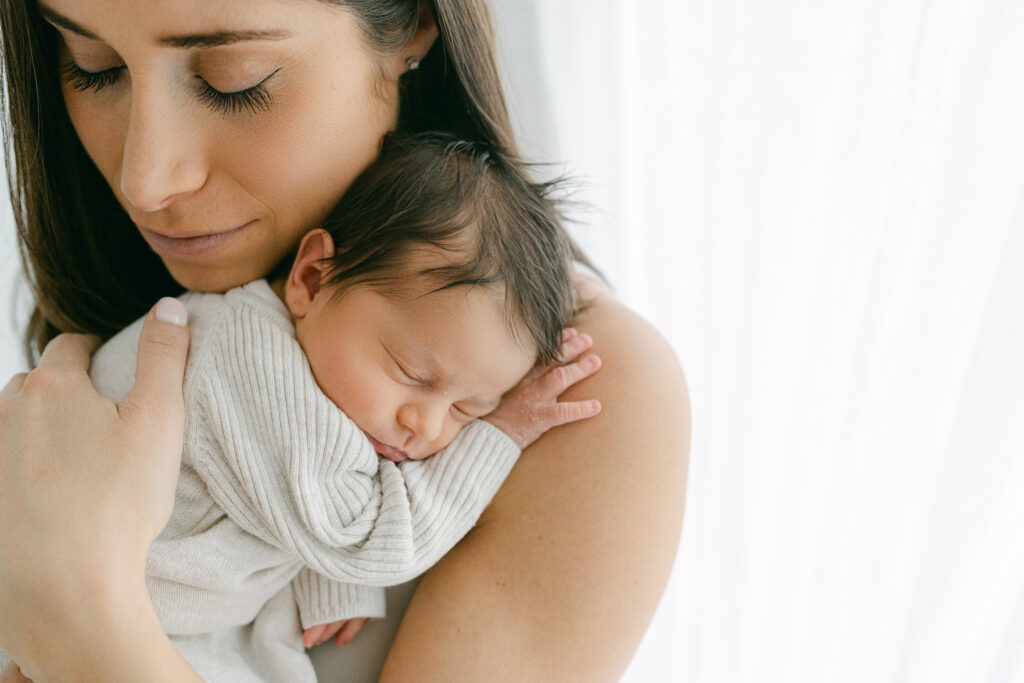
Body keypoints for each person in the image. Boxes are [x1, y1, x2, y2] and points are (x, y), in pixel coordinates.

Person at [0, 1, 691, 681]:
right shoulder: (172, 322)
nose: (144, 180)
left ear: (415, 23)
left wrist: (88, 625)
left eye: (235, 79)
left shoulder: (577, 384)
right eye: (92, 67)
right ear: (312, 275)